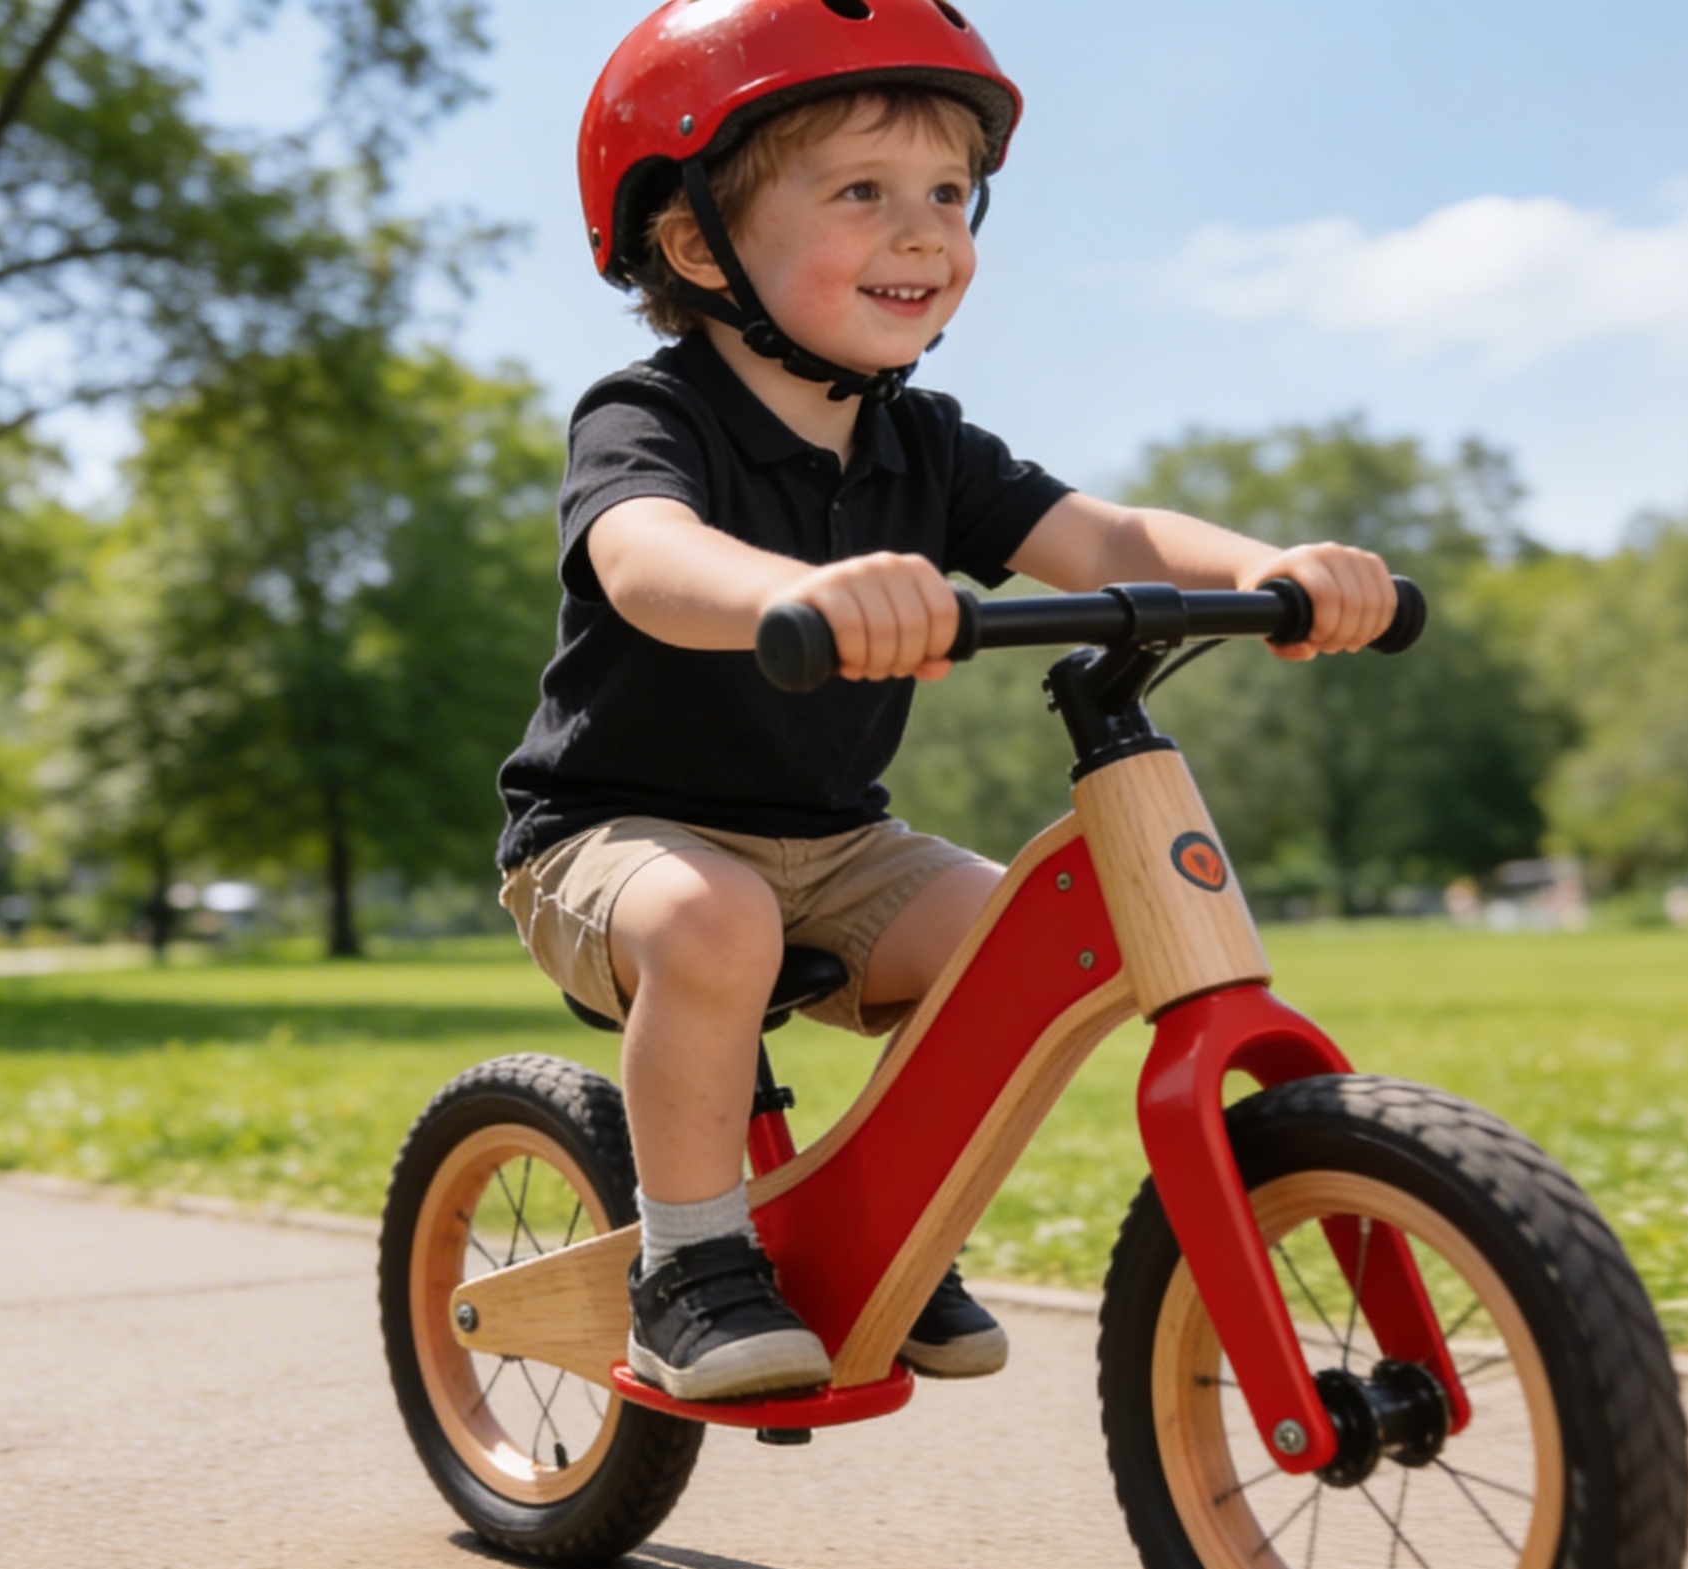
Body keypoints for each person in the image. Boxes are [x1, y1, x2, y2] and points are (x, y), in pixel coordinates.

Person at [495, 0, 1397, 1403]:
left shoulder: (931, 443)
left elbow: (1107, 541)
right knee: (712, 920)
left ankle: (876, 1221)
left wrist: (1271, 570)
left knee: (1016, 939)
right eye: (864, 192)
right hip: (612, 837)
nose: (927, 232)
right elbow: (646, 561)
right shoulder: (649, 413)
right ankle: (687, 1263)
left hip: (837, 846)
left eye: (950, 195)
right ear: (693, 243)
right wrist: (797, 595)